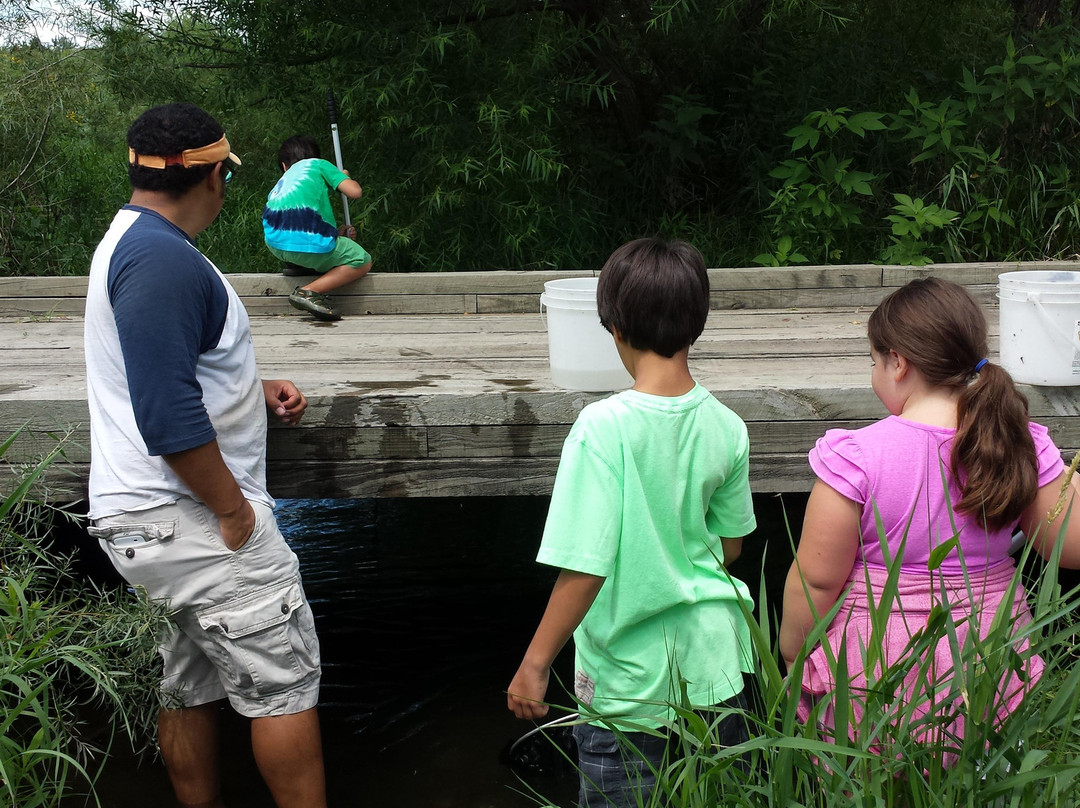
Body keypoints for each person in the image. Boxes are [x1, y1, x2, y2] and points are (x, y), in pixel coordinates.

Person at [83, 103, 326, 808]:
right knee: (283, 689)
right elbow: (166, 413)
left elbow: (165, 366)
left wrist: (253, 386)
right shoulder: (160, 258)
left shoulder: (133, 240)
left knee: (185, 683)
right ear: (213, 175)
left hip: (148, 525)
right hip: (189, 519)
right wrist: (235, 515)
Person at [507, 238, 758, 808]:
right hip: (717, 671)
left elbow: (586, 566)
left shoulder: (602, 428)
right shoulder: (728, 425)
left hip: (628, 688)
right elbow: (732, 547)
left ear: (613, 327)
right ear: (697, 323)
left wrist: (534, 664)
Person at [778, 277, 1080, 750]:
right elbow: (1070, 546)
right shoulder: (1018, 442)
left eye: (873, 361)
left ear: (898, 363)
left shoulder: (856, 456)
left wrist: (795, 656)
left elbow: (817, 580)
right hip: (992, 662)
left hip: (874, 671)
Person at [262, 134, 370, 321]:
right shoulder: (319, 164)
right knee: (362, 260)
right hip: (307, 243)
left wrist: (337, 234)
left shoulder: (283, 181)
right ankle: (309, 291)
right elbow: (355, 191)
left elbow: (299, 219)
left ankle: (297, 265)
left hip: (275, 245)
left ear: (284, 166)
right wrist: (342, 177)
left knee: (304, 239)